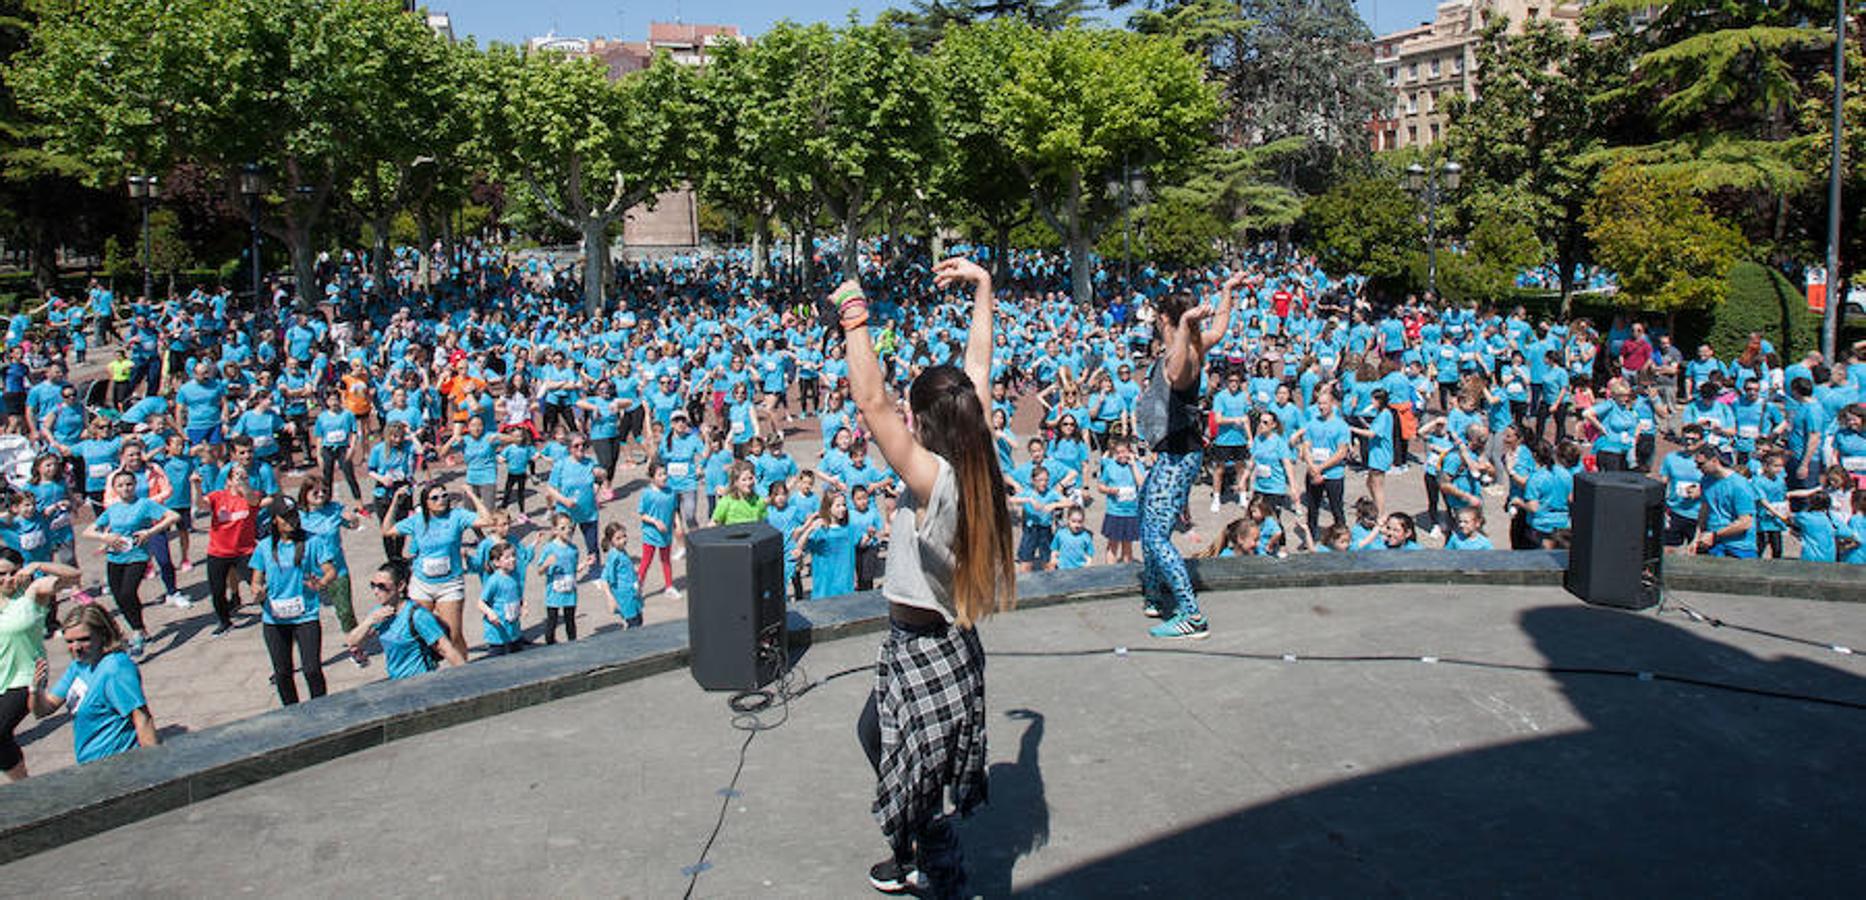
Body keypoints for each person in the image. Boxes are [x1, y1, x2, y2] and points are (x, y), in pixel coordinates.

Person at [836, 260, 1016, 898]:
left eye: (915, 416)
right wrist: (984, 287)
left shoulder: (936, 483)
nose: (906, 423)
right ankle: (918, 847)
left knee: (912, 769)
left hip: (926, 649)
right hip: (938, 643)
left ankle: (939, 869)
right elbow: (980, 369)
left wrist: (854, 315)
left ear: (930, 423)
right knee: (884, 741)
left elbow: (870, 401)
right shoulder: (979, 454)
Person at [1135, 273, 1241, 639]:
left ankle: (1191, 614)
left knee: (1156, 537)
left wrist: (1182, 325)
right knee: (1143, 509)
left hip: (1178, 455)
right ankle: (1154, 592)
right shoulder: (1197, 344)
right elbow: (1222, 327)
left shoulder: (1180, 357)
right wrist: (1228, 291)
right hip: (1176, 454)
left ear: (1165, 320)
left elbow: (1177, 373)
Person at [30, 601, 158, 766]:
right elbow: (43, 710)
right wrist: (35, 689)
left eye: (84, 639)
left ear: (103, 635)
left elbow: (142, 719)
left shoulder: (115, 668)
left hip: (118, 765)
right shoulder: (79, 665)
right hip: (90, 763)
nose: (76, 647)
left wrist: (155, 767)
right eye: (69, 641)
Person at [82, 470, 179, 658]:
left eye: (129, 484)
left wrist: (149, 532)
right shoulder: (112, 509)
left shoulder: (145, 504)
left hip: (137, 556)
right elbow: (88, 531)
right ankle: (141, 629)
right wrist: (105, 537)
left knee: (128, 592)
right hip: (115, 557)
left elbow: (173, 516)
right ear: (115, 489)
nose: (125, 488)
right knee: (118, 596)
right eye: (120, 485)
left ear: (135, 485)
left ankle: (136, 633)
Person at [1, 549, 78, 780]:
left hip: (27, 676)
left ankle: (22, 785)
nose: (9, 579)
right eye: (2, 574)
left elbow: (74, 576)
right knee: (2, 738)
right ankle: (22, 783)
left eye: (13, 572)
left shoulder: (32, 593)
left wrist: (37, 565)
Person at [394, 483, 486, 661]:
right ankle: (425, 671)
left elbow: (487, 519)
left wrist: (472, 495)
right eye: (435, 498)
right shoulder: (417, 521)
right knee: (420, 633)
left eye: (444, 496)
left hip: (449, 583)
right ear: (426, 502)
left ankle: (464, 671)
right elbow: (387, 529)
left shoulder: (457, 516)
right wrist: (394, 504)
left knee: (453, 634)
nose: (441, 500)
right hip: (422, 583)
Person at [346, 562, 465, 676]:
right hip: (396, 681)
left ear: (400, 586)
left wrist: (469, 677)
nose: (376, 591)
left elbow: (446, 649)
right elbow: (352, 641)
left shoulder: (417, 615)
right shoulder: (379, 614)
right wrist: (370, 620)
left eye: (382, 586)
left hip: (421, 681)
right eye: (373, 585)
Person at [536, 511, 590, 644]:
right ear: (554, 530)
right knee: (552, 621)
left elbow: (573, 569)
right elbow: (539, 571)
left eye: (570, 528)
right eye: (563, 528)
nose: (568, 531)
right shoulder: (549, 548)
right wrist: (546, 564)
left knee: (570, 620)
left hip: (570, 591)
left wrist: (583, 565)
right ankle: (550, 646)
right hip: (554, 592)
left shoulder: (573, 549)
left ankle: (572, 644)